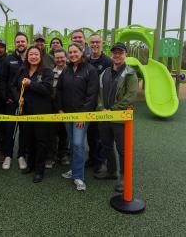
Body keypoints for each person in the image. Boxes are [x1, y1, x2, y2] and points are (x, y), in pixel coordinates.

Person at [55, 42, 98, 191]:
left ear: (82, 52)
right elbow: (59, 90)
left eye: (75, 52)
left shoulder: (90, 70)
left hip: (82, 115)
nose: (73, 54)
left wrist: (83, 115)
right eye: (70, 52)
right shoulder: (66, 70)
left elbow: (92, 96)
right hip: (67, 114)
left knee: (79, 144)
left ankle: (79, 176)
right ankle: (74, 169)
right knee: (73, 143)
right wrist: (60, 108)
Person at [96, 42, 138, 193]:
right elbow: (99, 94)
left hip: (120, 119)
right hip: (104, 117)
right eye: (115, 53)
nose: (117, 55)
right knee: (106, 145)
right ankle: (111, 171)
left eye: (120, 52)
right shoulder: (104, 72)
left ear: (125, 54)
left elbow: (131, 96)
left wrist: (112, 110)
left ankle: (124, 178)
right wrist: (101, 108)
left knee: (122, 150)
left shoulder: (130, 73)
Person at [11, 46, 53, 183]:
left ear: (40, 57)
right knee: (29, 140)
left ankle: (39, 171)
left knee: (41, 141)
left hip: (42, 112)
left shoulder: (47, 71)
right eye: (31, 54)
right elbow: (13, 86)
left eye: (36, 54)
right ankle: (31, 165)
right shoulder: (22, 70)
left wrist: (31, 84)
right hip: (26, 112)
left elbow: (47, 90)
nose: (33, 57)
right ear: (27, 57)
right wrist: (18, 97)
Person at [0, 32, 29, 170]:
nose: (20, 44)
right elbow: (3, 80)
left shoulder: (32, 57)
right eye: (18, 42)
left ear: (27, 42)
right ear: (15, 43)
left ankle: (21, 155)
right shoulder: (9, 59)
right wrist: (7, 98)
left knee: (24, 130)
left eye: (23, 41)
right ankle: (8, 156)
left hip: (27, 102)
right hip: (12, 101)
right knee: (9, 130)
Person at [86, 34, 113, 173]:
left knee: (102, 134)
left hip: (102, 104)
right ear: (89, 44)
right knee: (91, 133)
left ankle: (102, 161)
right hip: (89, 103)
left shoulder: (108, 61)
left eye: (97, 42)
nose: (95, 44)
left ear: (102, 43)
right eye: (92, 42)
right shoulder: (85, 60)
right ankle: (92, 157)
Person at [45, 48, 69, 169]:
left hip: (67, 107)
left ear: (66, 57)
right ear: (54, 59)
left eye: (62, 57)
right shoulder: (50, 72)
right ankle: (50, 156)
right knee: (51, 133)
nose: (60, 60)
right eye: (57, 57)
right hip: (52, 107)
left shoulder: (71, 71)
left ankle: (63, 154)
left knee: (64, 133)